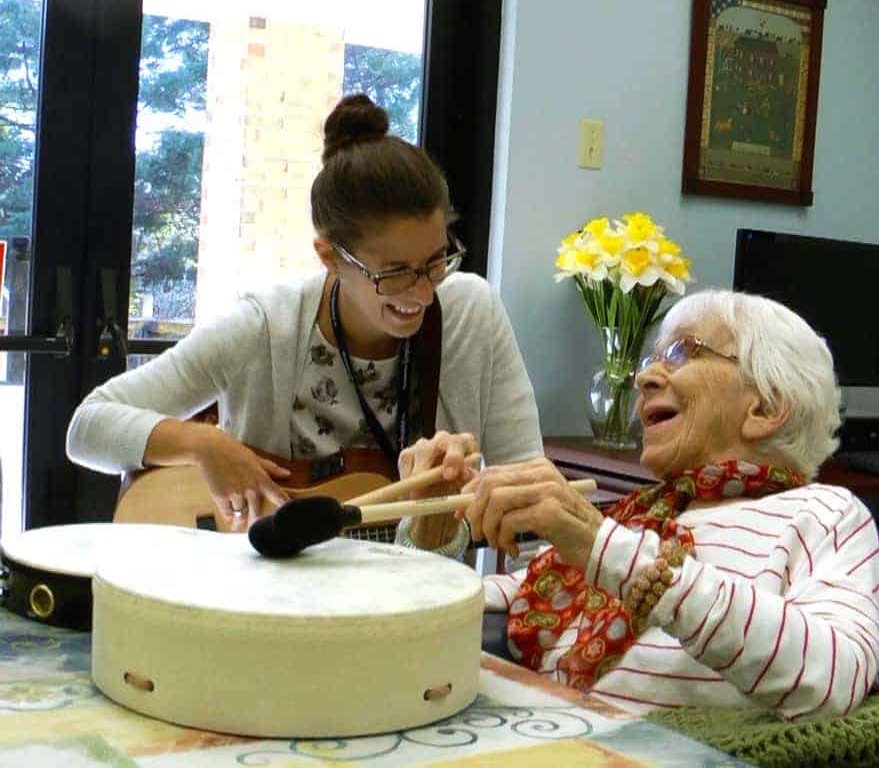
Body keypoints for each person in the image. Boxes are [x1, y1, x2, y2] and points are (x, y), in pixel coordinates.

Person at [66, 94, 543, 555]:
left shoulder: (471, 314)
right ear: (330, 256)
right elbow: (87, 427)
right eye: (394, 273)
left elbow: (529, 483)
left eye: (437, 261)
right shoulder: (263, 326)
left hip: (406, 606)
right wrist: (203, 444)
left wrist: (457, 524)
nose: (421, 292)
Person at [466, 289, 879, 720]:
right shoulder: (643, 515)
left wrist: (609, 551)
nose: (643, 380)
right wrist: (425, 542)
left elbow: (834, 679)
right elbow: (482, 602)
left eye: (684, 351)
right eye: (653, 360)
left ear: (765, 407)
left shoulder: (823, 513)